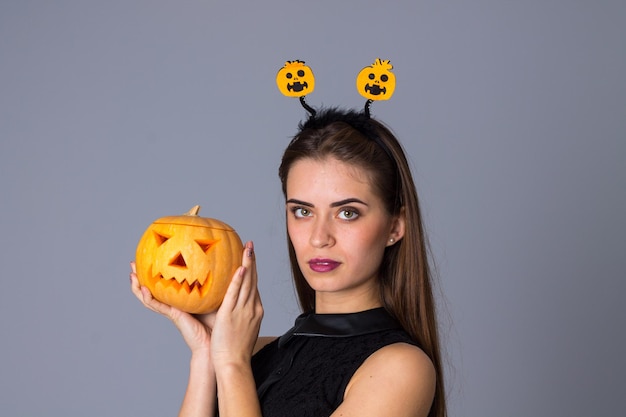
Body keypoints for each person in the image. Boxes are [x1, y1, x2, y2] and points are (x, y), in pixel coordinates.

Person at [130, 107, 447, 417]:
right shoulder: (254, 351)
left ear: (395, 226)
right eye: (303, 211)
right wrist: (206, 355)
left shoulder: (402, 369)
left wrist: (231, 365)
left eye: (347, 212)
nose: (319, 237)